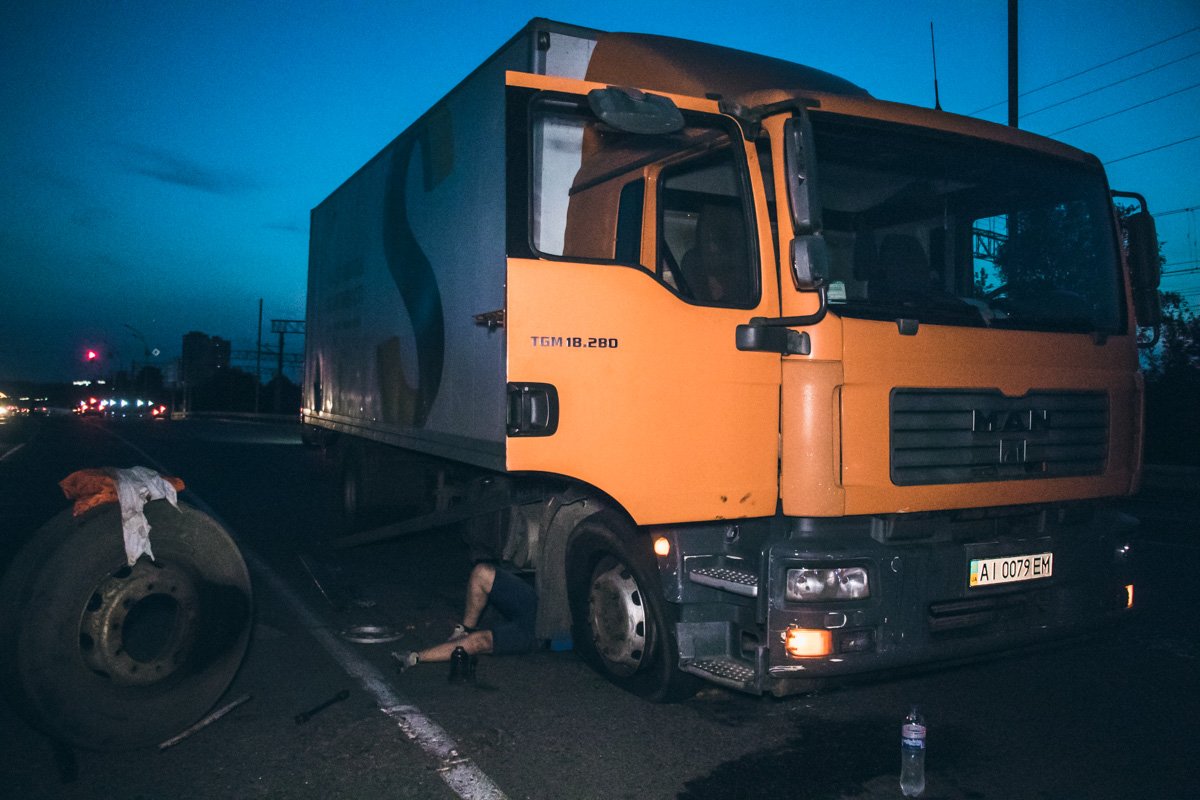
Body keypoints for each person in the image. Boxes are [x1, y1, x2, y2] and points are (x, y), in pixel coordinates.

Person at [392, 562, 537, 672]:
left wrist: (416, 657)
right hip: (541, 603)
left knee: (480, 641)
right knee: (481, 572)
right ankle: (464, 630)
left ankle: (414, 657)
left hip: (545, 627)